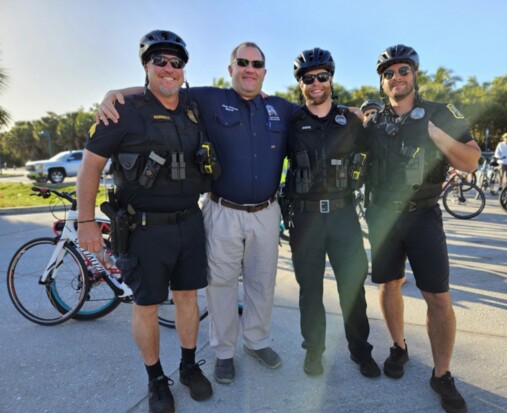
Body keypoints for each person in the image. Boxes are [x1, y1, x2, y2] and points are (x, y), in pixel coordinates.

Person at [97, 41, 296, 385]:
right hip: (223, 211)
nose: (250, 68)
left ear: (264, 71)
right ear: (231, 67)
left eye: (257, 64)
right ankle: (223, 352)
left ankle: (257, 341)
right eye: (242, 62)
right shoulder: (207, 98)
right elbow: (163, 86)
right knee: (219, 285)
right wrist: (116, 94)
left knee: (262, 283)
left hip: (267, 211)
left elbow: (317, 112)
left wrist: (355, 112)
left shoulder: (280, 107)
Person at [77, 30, 213, 413]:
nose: (169, 69)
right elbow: (90, 166)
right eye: (160, 61)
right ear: (146, 66)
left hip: (190, 220)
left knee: (188, 297)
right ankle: (156, 379)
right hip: (144, 229)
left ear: (184, 69)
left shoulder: (192, 105)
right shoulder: (123, 109)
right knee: (147, 304)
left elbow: (237, 94)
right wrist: (86, 221)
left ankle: (188, 366)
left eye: (176, 62)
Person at [363, 44, 480, 413]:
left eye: (402, 71)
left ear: (414, 74)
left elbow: (472, 160)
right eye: (388, 73)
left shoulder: (439, 113)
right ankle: (398, 347)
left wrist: (437, 136)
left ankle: (442, 374)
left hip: (423, 214)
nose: (396, 78)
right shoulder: (376, 121)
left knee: (438, 297)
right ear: (382, 83)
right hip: (382, 215)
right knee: (389, 284)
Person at [283, 48, 379, 377]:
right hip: (305, 218)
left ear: (331, 79)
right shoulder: (290, 122)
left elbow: (378, 154)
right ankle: (314, 351)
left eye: (321, 77)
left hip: (343, 216)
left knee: (352, 287)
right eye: (307, 79)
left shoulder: (351, 120)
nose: (315, 84)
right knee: (310, 290)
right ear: (300, 85)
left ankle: (360, 351)